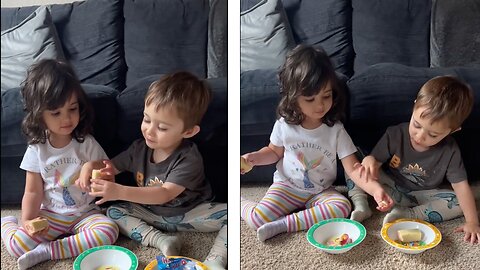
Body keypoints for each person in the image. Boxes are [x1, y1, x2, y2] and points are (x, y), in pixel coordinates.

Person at [240, 45, 394, 242]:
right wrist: (252, 159)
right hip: (286, 186)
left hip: (320, 191)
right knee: (257, 218)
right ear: (293, 97)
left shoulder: (336, 130)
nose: (320, 105)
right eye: (310, 99)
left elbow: (354, 169)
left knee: (342, 207)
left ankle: (282, 225)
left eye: (326, 96)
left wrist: (375, 190)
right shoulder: (284, 125)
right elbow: (273, 152)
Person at [77, 72, 228, 269]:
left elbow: (164, 193)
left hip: (191, 213)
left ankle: (216, 259)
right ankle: (161, 240)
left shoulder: (189, 157)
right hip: (150, 214)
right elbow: (109, 166)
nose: (149, 130)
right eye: (147, 120)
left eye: (162, 127)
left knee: (232, 215)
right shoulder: (138, 149)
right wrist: (90, 166)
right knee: (112, 211)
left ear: (188, 131)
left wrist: (119, 190)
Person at [0, 59, 119, 270]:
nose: (67, 119)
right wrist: (28, 220)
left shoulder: (86, 142)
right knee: (17, 245)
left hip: (85, 213)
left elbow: (108, 170)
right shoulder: (37, 148)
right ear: (39, 115)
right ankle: (6, 223)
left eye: (72, 109)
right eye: (56, 113)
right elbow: (33, 192)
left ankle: (48, 251)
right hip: (51, 215)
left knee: (109, 231)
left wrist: (91, 167)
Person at [349, 75, 480, 244]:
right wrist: (369, 161)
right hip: (390, 187)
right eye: (417, 124)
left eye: (433, 134)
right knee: (353, 164)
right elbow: (375, 162)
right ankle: (361, 205)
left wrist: (472, 222)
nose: (420, 136)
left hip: (423, 195)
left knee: (458, 202)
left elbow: (461, 187)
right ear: (414, 108)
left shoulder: (450, 150)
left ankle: (408, 214)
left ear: (452, 131)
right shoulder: (395, 134)